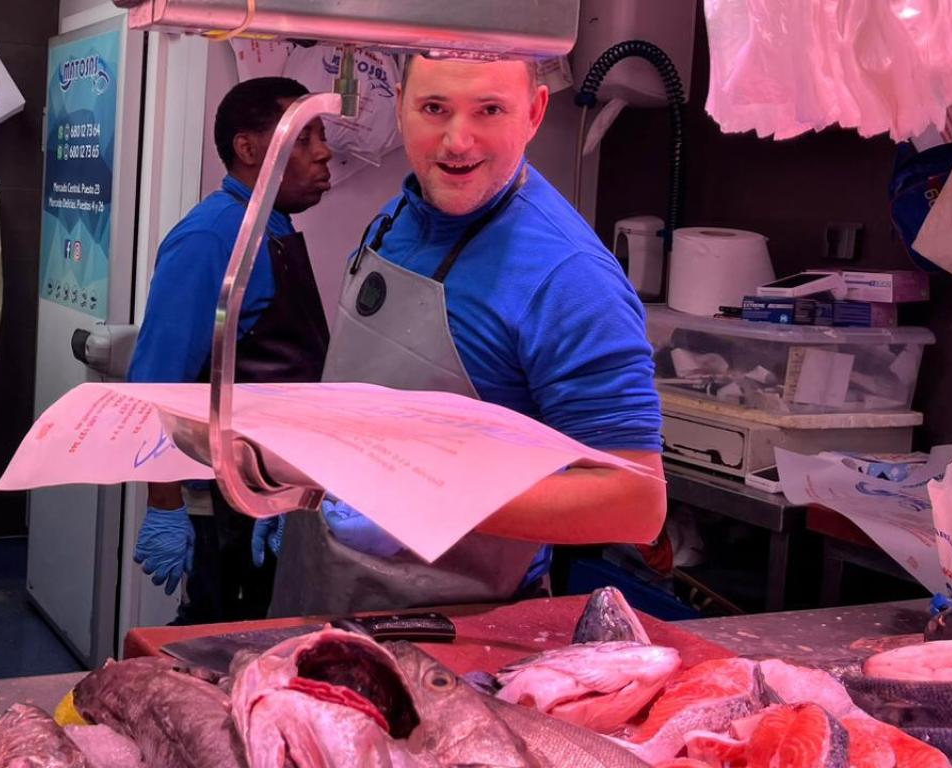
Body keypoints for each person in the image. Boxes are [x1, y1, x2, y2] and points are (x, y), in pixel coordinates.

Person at [269, 54, 667, 616]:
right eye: (434, 108)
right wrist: (302, 484)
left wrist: (410, 492)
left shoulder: (571, 278)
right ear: (402, 104)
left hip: (453, 629)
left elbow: (635, 503)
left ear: (533, 112)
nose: (457, 142)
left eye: (489, 110)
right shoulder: (400, 214)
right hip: (322, 585)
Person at [129, 76, 334, 624]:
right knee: (219, 646)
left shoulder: (272, 228)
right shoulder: (213, 237)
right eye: (304, 136)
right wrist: (165, 506)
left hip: (269, 494)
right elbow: (157, 385)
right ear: (247, 149)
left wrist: (298, 480)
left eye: (321, 135)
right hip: (225, 503)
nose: (324, 152)